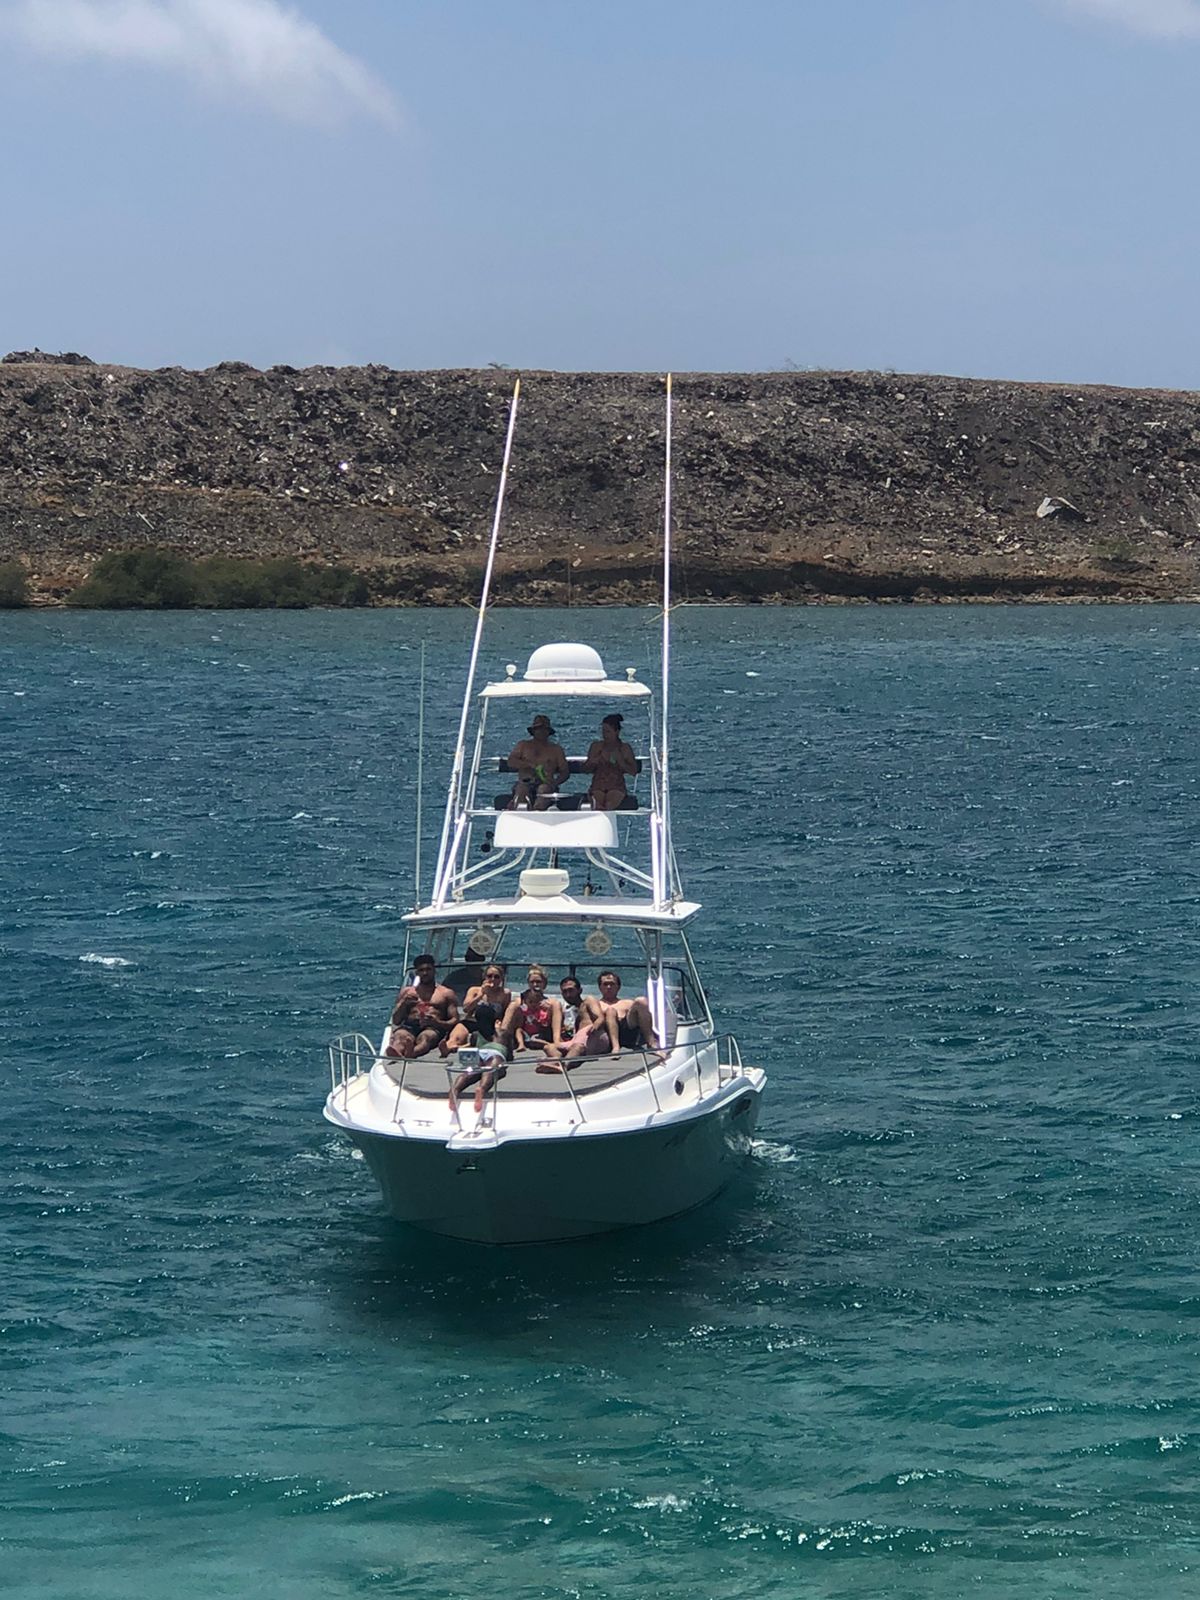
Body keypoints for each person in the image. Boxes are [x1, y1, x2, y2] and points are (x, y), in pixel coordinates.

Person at [384, 954, 458, 1059]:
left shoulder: (446, 993)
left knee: (425, 1038)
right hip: (409, 1026)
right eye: (421, 970)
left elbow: (455, 1020)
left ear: (434, 970)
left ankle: (413, 1052)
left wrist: (438, 1022)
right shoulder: (407, 992)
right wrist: (404, 1003)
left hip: (433, 1027)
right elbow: (396, 1020)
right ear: (416, 972)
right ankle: (397, 1052)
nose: (425, 973)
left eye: (428, 969)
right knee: (400, 1036)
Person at [448, 1001, 508, 1115]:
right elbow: (508, 1053)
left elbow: (473, 1046)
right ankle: (482, 1089)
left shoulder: (475, 1034)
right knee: (490, 1071)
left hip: (479, 1052)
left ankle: (455, 1090)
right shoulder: (503, 1033)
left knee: (468, 1073)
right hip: (495, 1052)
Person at [441, 963, 512, 1055]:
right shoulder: (474, 990)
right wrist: (481, 994)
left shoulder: (505, 993)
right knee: (457, 1034)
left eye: (496, 977)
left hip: (490, 1024)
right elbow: (466, 1009)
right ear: (484, 977)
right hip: (473, 1021)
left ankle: (464, 1046)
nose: (493, 979)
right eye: (489, 976)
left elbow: (505, 1013)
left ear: (501, 979)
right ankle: (448, 1047)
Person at [507, 715, 569, 810]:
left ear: (549, 732)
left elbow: (565, 772)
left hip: (546, 784)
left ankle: (537, 812)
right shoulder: (523, 745)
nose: (541, 732)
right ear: (533, 731)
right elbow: (511, 761)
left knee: (543, 790)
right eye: (538, 729)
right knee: (521, 790)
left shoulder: (556, 750)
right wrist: (528, 765)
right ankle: (521, 813)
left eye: (544, 729)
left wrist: (555, 783)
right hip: (525, 782)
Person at [501, 965, 563, 1058]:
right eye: (532, 982)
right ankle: (502, 1042)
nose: (535, 985)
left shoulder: (552, 1004)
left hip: (543, 1037)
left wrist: (549, 1011)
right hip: (525, 1036)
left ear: (544, 984)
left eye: (538, 982)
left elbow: (557, 1027)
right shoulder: (520, 1002)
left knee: (556, 1005)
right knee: (514, 1006)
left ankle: (555, 1047)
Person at [596, 970, 660, 1052]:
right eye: (605, 984)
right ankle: (616, 1047)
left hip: (627, 1029)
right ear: (600, 987)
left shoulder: (627, 1003)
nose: (609, 987)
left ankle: (651, 1042)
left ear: (618, 987)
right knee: (610, 1011)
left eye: (612, 984)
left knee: (641, 1001)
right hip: (606, 1031)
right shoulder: (596, 1005)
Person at [583, 713, 638, 810]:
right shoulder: (596, 747)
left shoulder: (624, 748)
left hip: (616, 785)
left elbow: (633, 771)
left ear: (616, 732)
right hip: (598, 784)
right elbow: (586, 769)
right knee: (598, 804)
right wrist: (594, 761)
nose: (605, 735)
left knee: (609, 804)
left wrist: (621, 762)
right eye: (603, 731)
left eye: (608, 732)